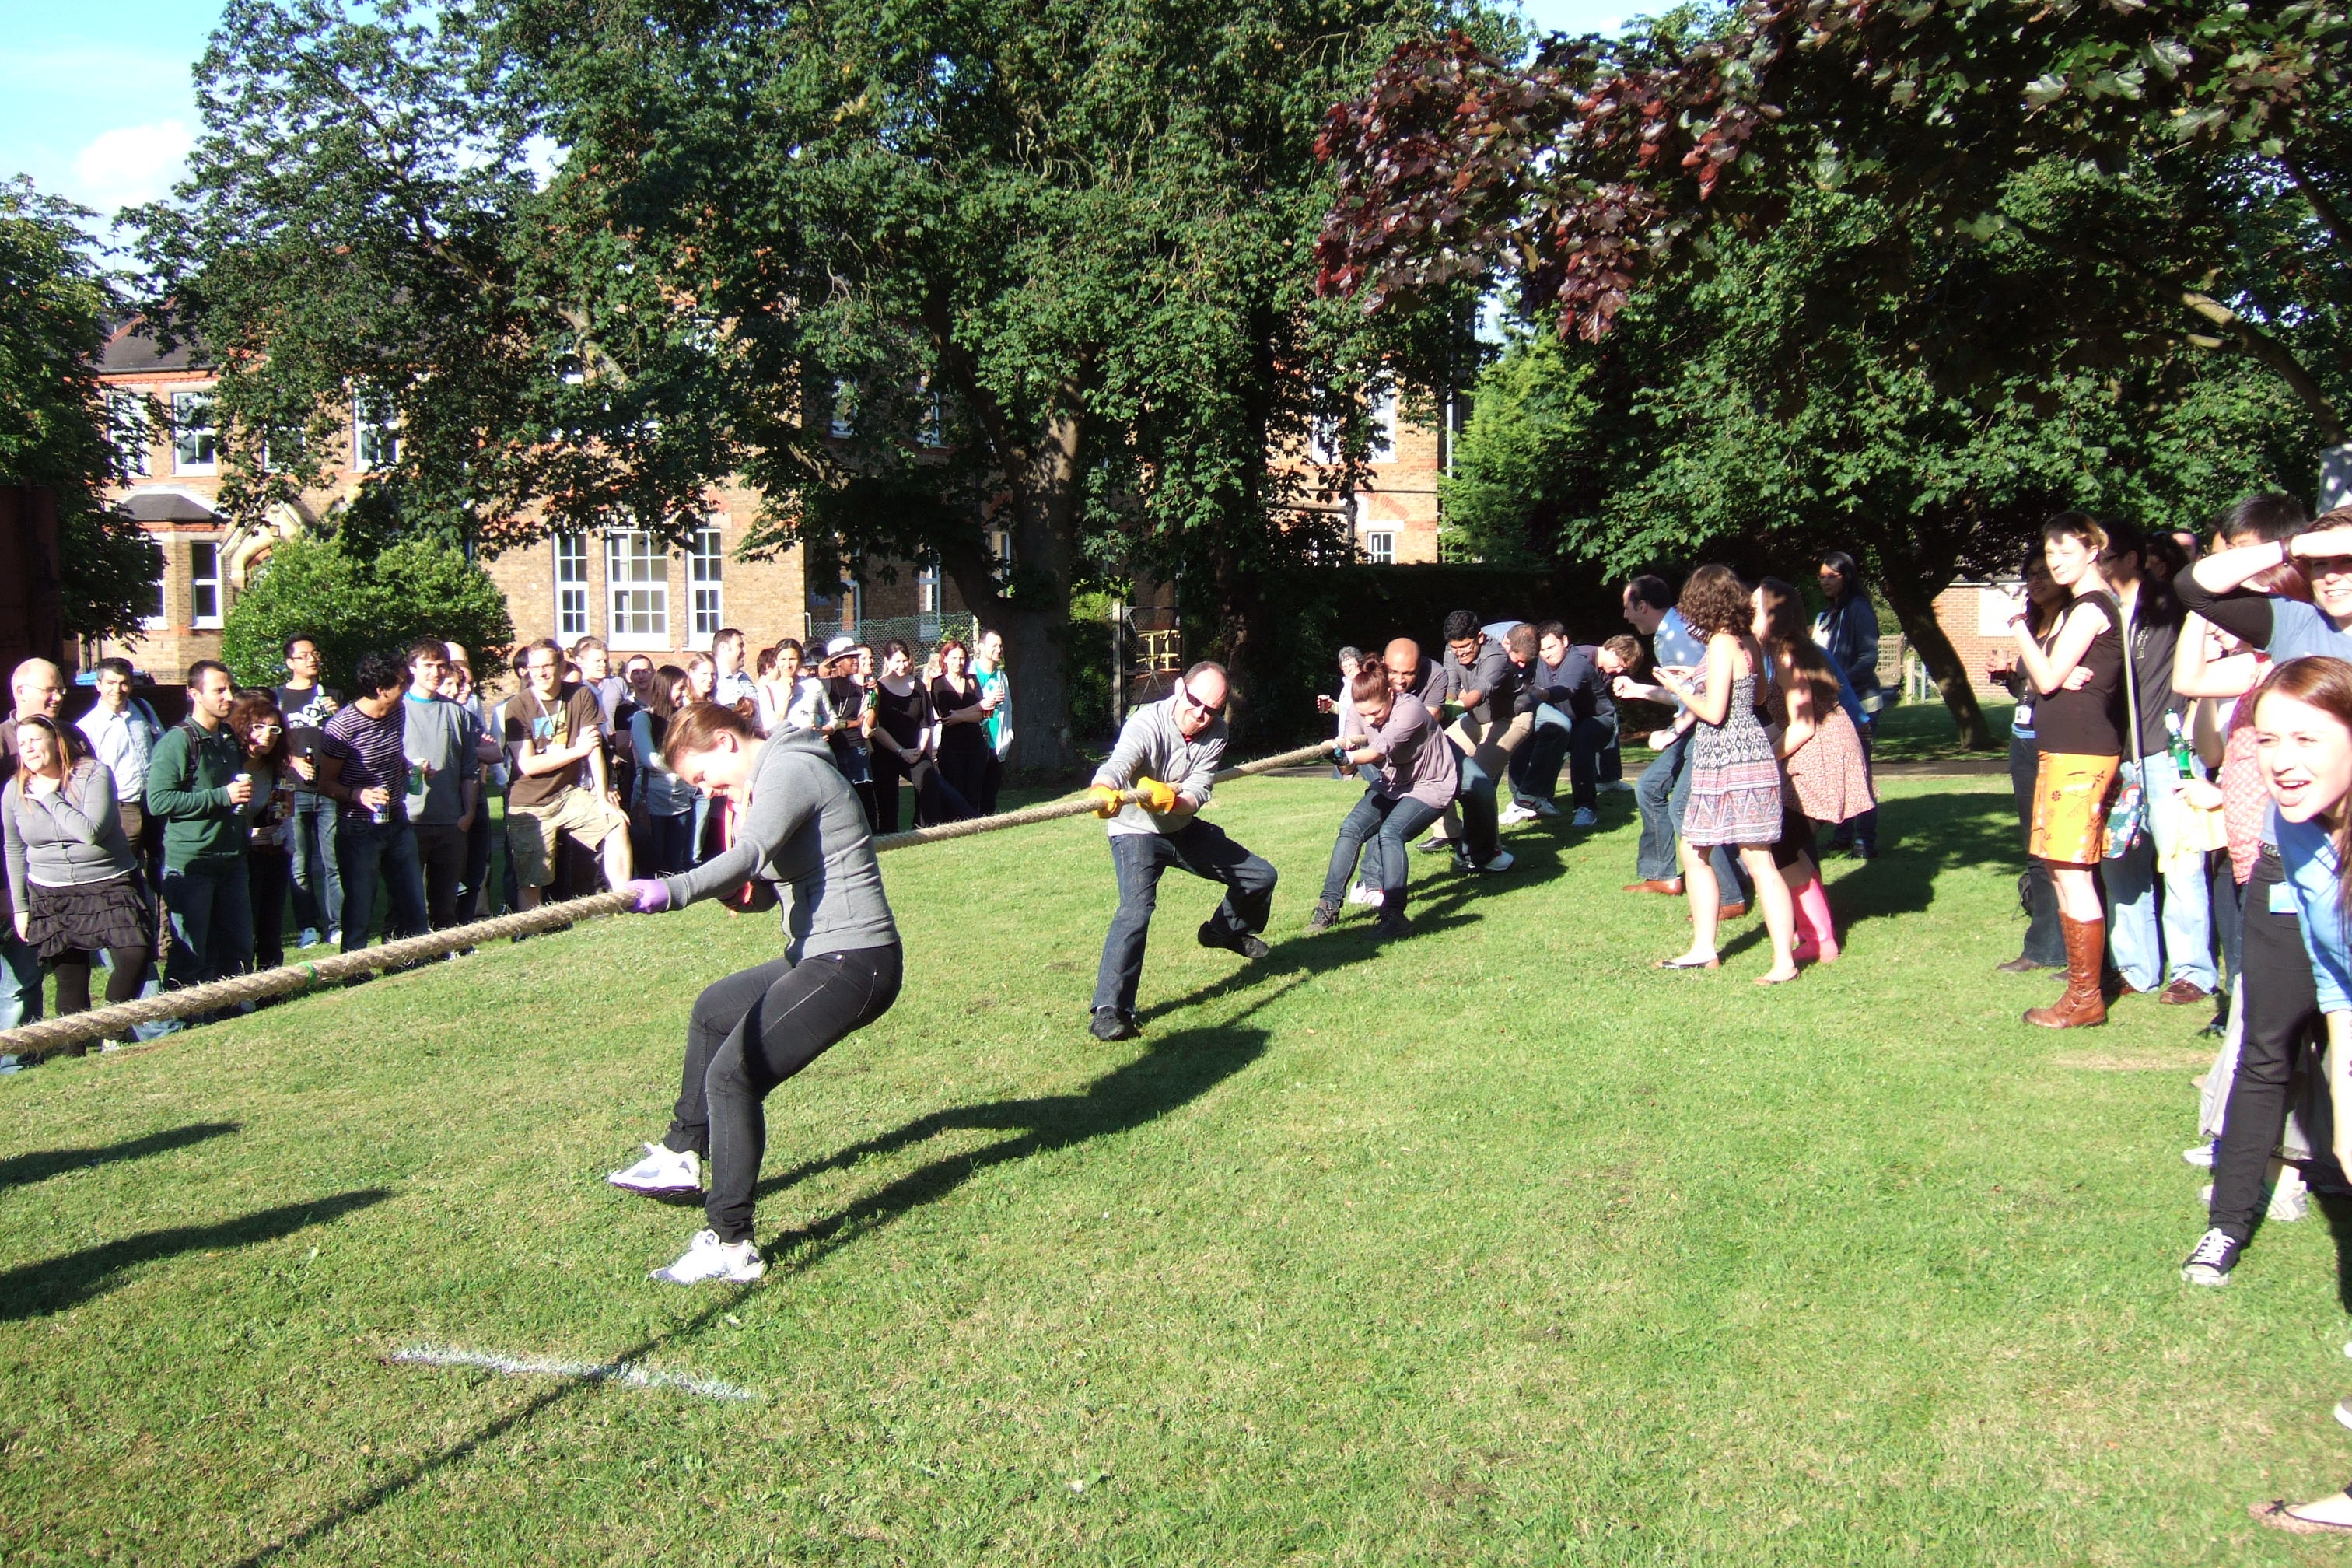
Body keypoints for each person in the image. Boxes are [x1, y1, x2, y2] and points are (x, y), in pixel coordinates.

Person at [606, 701, 902, 1286]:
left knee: (733, 1077)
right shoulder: (772, 778)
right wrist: (751, 894)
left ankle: (731, 1242)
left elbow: (746, 857)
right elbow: (766, 880)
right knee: (715, 1010)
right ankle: (683, 1151)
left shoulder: (790, 769)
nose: (708, 791)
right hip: (817, 954)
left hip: (854, 961)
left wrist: (673, 890)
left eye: (702, 777)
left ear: (724, 742)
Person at [2172, 496, 2352, 1286]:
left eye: (2351, 562)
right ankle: (2228, 1220)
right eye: (2324, 563)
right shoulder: (2298, 624)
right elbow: (2198, 585)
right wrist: (2299, 542)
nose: (2334, 576)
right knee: (2267, 1044)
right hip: (2294, 866)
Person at [2221, 659, 2352, 1537]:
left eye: (2308, 737)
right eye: (2269, 739)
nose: (2282, 759)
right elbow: (2339, 990)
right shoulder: (2297, 828)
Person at [1086, 661, 1276, 1042]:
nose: (1201, 715)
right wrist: (1103, 788)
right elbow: (1119, 762)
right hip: (1134, 832)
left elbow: (1198, 792)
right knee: (1136, 910)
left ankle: (1223, 931)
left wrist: (1172, 802)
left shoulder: (1215, 732)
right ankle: (1110, 1009)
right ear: (1178, 689)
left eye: (1212, 709)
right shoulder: (1146, 723)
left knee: (1260, 876)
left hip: (1181, 828)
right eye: (1195, 703)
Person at [2007, 513, 2126, 1030]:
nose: (2054, 562)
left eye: (2064, 552)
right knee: (2060, 869)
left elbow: (2048, 676)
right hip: (2065, 753)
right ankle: (2084, 990)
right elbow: (2049, 675)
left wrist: (2019, 628)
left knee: (2073, 873)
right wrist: (2049, 666)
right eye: (2049, 553)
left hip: (2081, 755)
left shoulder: (2092, 605)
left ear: (2093, 549)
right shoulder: (2082, 608)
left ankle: (2085, 996)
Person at [1653, 565, 1799, 982]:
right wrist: (1695, 677)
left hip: (1725, 758)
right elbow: (1756, 695)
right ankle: (1766, 959)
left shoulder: (1719, 643)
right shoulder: (1748, 639)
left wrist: (1681, 689)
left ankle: (1717, 950)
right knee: (1748, 858)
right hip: (1752, 752)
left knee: (1704, 852)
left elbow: (1715, 712)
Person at [2093, 521, 2216, 1006]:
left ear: (2130, 560)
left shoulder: (2168, 603)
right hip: (2116, 760)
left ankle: (2191, 971)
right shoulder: (2095, 613)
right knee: (2121, 866)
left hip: (2167, 755)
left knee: (2182, 866)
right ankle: (2135, 968)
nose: (2097, 569)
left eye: (2105, 558)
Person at [3, 713, 153, 1041]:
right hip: (51, 892)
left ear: (56, 742)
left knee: (134, 954)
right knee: (70, 978)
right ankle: (75, 1051)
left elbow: (90, 832)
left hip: (109, 882)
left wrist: (49, 796)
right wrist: (21, 907)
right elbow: (14, 848)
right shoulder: (14, 790)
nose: (28, 749)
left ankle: (112, 1031)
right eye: (22, 742)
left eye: (35, 740)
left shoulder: (94, 774)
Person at [1615, 578, 1754, 913]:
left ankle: (1730, 894)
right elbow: (1685, 691)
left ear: (1642, 606)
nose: (1624, 614)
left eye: (1626, 606)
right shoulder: (1669, 633)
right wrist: (1641, 690)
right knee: (1649, 787)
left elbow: (1707, 694)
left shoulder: (1679, 637)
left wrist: (1673, 731)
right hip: (1694, 724)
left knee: (1684, 808)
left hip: (1705, 730)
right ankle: (1664, 876)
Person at [1755, 579, 1875, 964]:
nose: (1747, 614)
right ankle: (1815, 935)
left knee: (1782, 846)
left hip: (1822, 755)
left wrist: (1766, 761)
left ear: (1772, 615)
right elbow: (1785, 720)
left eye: (1753, 608)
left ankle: (1818, 939)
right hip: (1814, 751)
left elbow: (1803, 724)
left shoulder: (1789, 656)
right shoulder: (1786, 652)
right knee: (1786, 845)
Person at [1307, 663, 1456, 939]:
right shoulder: (1359, 712)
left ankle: (1394, 915)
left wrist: (1346, 756)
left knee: (1390, 833)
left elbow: (1376, 751)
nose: (1371, 719)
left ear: (1390, 694)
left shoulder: (1409, 709)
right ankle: (1328, 906)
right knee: (1351, 828)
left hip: (1430, 785)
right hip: (1392, 784)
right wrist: (1342, 751)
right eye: (1365, 714)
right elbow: (1349, 759)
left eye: (1376, 712)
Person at [1985, 551, 2072, 974]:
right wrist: (2009, 678)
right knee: (2035, 846)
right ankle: (2041, 947)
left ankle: (2079, 951)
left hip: (2061, 744)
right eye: (2031, 574)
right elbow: (2033, 686)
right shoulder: (2035, 626)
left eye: (2045, 573)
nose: (2037, 580)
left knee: (2067, 850)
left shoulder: (2078, 621)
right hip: (2024, 741)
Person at [147, 660, 257, 992]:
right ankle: (179, 1018)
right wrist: (221, 797)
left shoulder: (225, 737)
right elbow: (159, 801)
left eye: (230, 689)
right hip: (193, 864)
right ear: (194, 694)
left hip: (232, 857)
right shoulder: (177, 742)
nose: (228, 696)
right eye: (219, 690)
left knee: (238, 947)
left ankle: (234, 1007)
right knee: (190, 951)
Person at [502, 638, 634, 911]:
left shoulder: (580, 695)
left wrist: (602, 798)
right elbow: (527, 764)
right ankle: (529, 932)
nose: (540, 673)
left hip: (566, 794)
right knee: (533, 878)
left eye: (547, 666)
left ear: (561, 666)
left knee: (615, 824)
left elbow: (594, 749)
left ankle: (623, 901)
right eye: (533, 667)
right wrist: (576, 752)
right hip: (529, 802)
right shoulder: (518, 706)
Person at [317, 651, 432, 952]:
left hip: (397, 819)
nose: (407, 687)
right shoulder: (342, 728)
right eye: (401, 683)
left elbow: (392, 754)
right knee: (359, 905)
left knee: (412, 900)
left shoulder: (398, 712)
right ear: (381, 690)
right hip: (358, 830)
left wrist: (410, 768)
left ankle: (416, 959)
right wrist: (358, 795)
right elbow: (325, 783)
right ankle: (354, 969)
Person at [1419, 610, 1521, 873]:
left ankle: (1488, 848)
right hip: (1473, 719)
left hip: (1508, 719)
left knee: (1478, 779)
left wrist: (1455, 708)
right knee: (1438, 760)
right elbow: (1450, 686)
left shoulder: (1496, 655)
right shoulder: (1452, 651)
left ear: (1480, 637)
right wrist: (1441, 708)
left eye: (1465, 647)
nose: (1460, 653)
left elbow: (1480, 691)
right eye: (1455, 648)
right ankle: (1450, 832)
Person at [1, 659, 68, 1028]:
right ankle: (14, 1060)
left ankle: (26, 1054)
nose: (58, 696)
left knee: (29, 977)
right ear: (20, 692)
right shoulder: (3, 744)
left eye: (61, 689)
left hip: (59, 873)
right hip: (12, 876)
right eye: (50, 689)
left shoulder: (69, 736)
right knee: (16, 980)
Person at [398, 641, 481, 932]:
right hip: (409, 820)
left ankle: (443, 954)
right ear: (412, 669)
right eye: (428, 666)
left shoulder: (457, 713)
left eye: (441, 666)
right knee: (405, 901)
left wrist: (467, 814)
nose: (435, 672)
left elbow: (469, 770)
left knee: (446, 904)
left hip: (450, 821)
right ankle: (401, 956)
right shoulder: (398, 709)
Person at [1507, 621, 1616, 828]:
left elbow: (1566, 690)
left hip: (1596, 721)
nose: (1547, 654)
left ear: (1564, 641)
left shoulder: (1578, 662)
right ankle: (1525, 799)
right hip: (1563, 722)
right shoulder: (1538, 664)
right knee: (1524, 735)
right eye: (1542, 650)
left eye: (1552, 647)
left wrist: (1541, 693)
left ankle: (1586, 808)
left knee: (1582, 743)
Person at [274, 632, 345, 949]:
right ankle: (308, 927)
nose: (311, 659)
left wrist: (338, 712)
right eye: (303, 655)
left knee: (334, 861)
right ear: (290, 663)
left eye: (315, 653)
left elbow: (348, 739)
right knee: (298, 862)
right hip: (292, 791)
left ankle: (338, 924)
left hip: (328, 789)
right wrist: (292, 761)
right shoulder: (278, 700)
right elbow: (268, 743)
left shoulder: (332, 696)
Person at [1812, 550, 1885, 857]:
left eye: (1832, 577)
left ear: (1848, 577)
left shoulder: (1858, 609)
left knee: (1860, 773)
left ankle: (1864, 841)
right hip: (1833, 705)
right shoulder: (1828, 614)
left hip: (1860, 703)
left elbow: (1868, 658)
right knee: (1838, 772)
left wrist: (1838, 683)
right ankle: (1842, 835)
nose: (1825, 582)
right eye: (1822, 577)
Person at [75, 656, 164, 892]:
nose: (118, 690)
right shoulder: (88, 726)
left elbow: (162, 747)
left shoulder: (143, 709)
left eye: (124, 683)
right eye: (111, 683)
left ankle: (165, 930)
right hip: (121, 808)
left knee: (163, 872)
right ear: (98, 685)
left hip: (152, 802)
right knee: (125, 875)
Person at [228, 692, 296, 971]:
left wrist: (281, 818)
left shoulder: (274, 767)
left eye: (274, 728)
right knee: (243, 924)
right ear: (243, 727)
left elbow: (276, 812)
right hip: (238, 855)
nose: (267, 735)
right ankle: (240, 981)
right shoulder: (229, 764)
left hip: (271, 851)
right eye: (258, 727)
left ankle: (272, 983)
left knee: (271, 923)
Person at [867, 639, 963, 831]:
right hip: (887, 751)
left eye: (905, 661)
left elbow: (926, 723)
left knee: (928, 780)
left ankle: (925, 829)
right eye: (897, 662)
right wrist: (901, 751)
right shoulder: (879, 688)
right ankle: (889, 837)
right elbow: (876, 727)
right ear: (886, 661)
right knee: (888, 798)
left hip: (915, 749)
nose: (902, 666)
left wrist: (919, 750)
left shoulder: (918, 686)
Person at [442, 645, 501, 922]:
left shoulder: (467, 718)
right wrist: (470, 750)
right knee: (448, 871)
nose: (459, 690)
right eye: (453, 684)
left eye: (464, 684)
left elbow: (495, 753)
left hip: (475, 797)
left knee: (476, 866)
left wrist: (465, 750)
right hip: (446, 803)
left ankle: (469, 924)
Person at [630, 666, 702, 875]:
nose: (684, 694)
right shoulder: (644, 718)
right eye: (680, 689)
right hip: (651, 798)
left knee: (674, 860)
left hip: (680, 798)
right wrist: (683, 765)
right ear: (664, 688)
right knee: (653, 858)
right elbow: (650, 759)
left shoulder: (683, 719)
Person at [932, 638, 991, 817]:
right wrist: (975, 709)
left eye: (962, 658)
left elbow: (983, 714)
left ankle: (974, 824)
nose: (959, 662)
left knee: (974, 791)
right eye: (955, 658)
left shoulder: (972, 680)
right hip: (952, 748)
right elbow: (947, 717)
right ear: (945, 659)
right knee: (955, 792)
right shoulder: (938, 684)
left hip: (976, 746)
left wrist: (961, 715)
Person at [973, 628, 1012, 814]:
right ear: (981, 647)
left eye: (1000, 645)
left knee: (990, 796)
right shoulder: (969, 674)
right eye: (994, 645)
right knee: (973, 794)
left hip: (996, 744)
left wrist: (1008, 736)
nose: (999, 649)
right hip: (973, 744)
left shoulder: (1001, 677)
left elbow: (1008, 710)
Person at [1318, 646, 1364, 779]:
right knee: (1339, 780)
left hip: (1360, 741)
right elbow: (1345, 710)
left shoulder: (1364, 684)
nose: (1349, 669)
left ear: (1359, 663)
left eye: (1352, 665)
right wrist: (1331, 705)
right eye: (1345, 666)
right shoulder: (1347, 684)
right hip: (1344, 739)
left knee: (1376, 779)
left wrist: (1355, 738)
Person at [710, 628, 758, 709]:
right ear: (723, 647)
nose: (745, 651)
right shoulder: (712, 680)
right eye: (740, 646)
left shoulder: (744, 677)